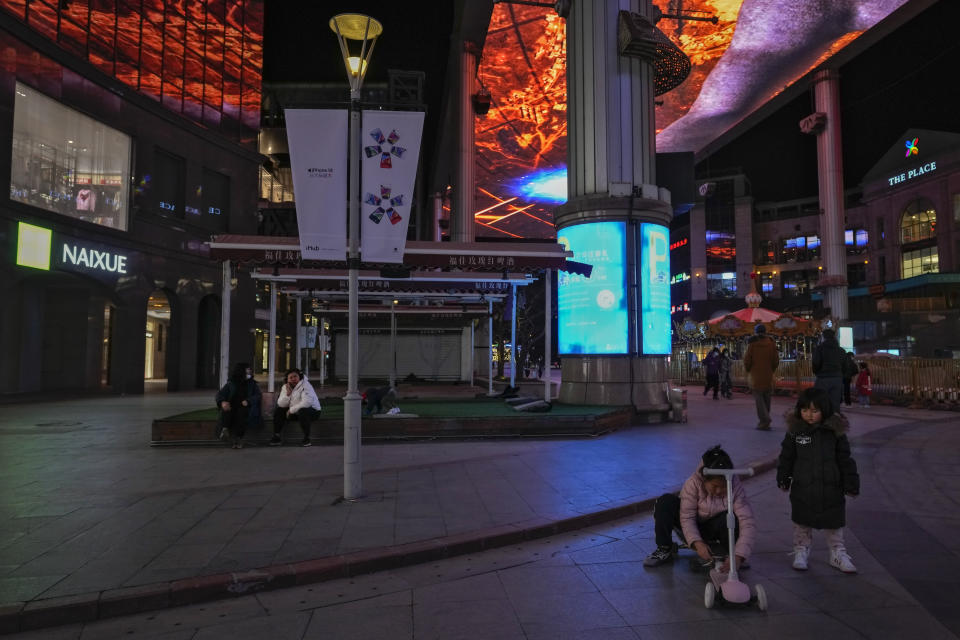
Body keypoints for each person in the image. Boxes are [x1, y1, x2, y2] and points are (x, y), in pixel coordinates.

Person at [776, 387, 860, 573]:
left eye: (814, 411)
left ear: (825, 410)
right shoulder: (795, 432)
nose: (809, 415)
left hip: (832, 487)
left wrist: (851, 483)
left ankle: (837, 552)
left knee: (834, 522)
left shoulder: (835, 433)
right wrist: (783, 477)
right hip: (803, 487)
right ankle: (801, 550)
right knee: (802, 521)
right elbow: (787, 456)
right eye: (805, 410)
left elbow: (845, 459)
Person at [644, 445, 756, 570]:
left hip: (716, 528)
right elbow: (687, 517)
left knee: (732, 517)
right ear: (704, 479)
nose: (719, 491)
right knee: (665, 502)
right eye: (714, 486)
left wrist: (739, 555)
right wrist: (697, 543)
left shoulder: (735, 485)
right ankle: (664, 548)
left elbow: (747, 523)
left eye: (723, 486)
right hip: (689, 527)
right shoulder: (692, 483)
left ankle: (729, 554)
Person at [215, 362, 262, 449]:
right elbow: (220, 394)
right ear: (241, 371)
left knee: (241, 414)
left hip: (246, 407)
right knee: (227, 410)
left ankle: (238, 438)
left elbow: (258, 396)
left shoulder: (252, 384)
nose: (250, 371)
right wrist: (222, 402)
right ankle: (225, 430)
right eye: (248, 370)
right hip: (232, 406)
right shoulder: (231, 383)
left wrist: (248, 401)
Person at [270, 368, 322, 447]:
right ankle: (276, 436)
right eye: (290, 377)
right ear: (287, 379)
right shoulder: (285, 387)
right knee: (279, 410)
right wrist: (288, 395)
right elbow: (281, 404)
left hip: (312, 412)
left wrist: (291, 410)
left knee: (303, 411)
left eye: (295, 376)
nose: (293, 379)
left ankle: (306, 438)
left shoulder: (306, 385)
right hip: (295, 412)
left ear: (299, 377)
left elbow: (307, 403)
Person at [743, 324, 779, 430]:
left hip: (756, 376)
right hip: (768, 375)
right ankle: (765, 421)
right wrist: (770, 370)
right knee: (767, 399)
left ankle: (764, 420)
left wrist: (749, 369)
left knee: (759, 400)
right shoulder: (771, 344)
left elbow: (747, 360)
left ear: (756, 332)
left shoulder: (752, 344)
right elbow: (776, 360)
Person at [813, 328, 846, 413]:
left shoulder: (820, 349)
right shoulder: (841, 350)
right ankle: (834, 422)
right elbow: (845, 365)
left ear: (823, 337)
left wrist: (818, 372)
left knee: (820, 402)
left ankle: (822, 423)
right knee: (835, 403)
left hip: (823, 378)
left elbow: (816, 363)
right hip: (837, 378)